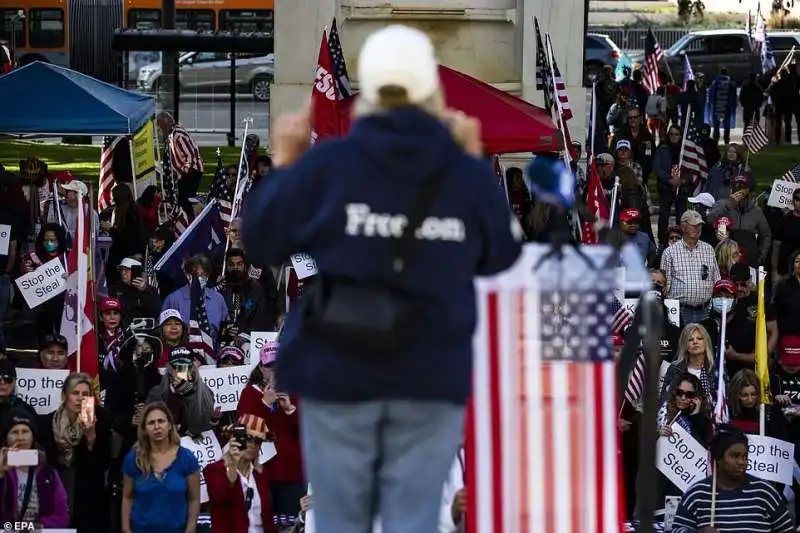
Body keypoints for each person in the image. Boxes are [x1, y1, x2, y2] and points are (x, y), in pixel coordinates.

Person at [241, 24, 522, 533]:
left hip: (342, 371)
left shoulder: (330, 164)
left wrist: (284, 164)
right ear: (430, 93)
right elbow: (502, 257)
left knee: (341, 519)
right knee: (413, 519)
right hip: (428, 375)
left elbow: (260, 241)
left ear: (369, 90)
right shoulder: (463, 176)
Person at [672, 425, 793, 533]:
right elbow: (676, 529)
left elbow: (786, 529)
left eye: (745, 456)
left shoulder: (764, 492)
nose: (742, 462)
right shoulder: (698, 493)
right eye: (735, 456)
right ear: (718, 458)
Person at [37, 372, 111, 533]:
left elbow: (103, 465)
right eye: (75, 393)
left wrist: (91, 439)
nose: (80, 398)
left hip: (88, 503)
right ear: (64, 396)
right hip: (55, 496)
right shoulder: (47, 423)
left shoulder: (102, 421)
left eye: (85, 394)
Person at [121, 402, 201, 533]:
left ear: (169, 425)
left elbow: (193, 499)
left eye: (161, 421)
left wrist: (190, 529)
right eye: (151, 423)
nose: (157, 426)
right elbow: (127, 497)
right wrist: (126, 529)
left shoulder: (187, 459)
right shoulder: (133, 459)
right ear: (145, 429)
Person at [204, 414, 278, 533]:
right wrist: (232, 465)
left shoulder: (260, 474)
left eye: (258, 441)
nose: (253, 445)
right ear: (235, 439)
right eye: (248, 438)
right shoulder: (215, 470)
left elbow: (267, 519)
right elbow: (220, 497)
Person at [0, 408, 70, 528]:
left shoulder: (48, 472)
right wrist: (0, 473)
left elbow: (62, 515)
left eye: (25, 431)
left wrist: (35, 527)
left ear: (33, 437)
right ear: (6, 438)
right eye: (14, 432)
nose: (20, 437)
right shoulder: (2, 469)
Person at [661, 210, 721, 324]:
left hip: (706, 310)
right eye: (693, 225)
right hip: (680, 310)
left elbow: (716, 279)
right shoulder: (669, 252)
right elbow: (664, 284)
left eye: (699, 225)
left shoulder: (709, 249)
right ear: (683, 227)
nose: (697, 228)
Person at [147, 346, 215, 437]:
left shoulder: (205, 392)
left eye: (185, 366)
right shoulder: (156, 392)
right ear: (169, 369)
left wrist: (189, 395)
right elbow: (150, 426)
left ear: (193, 368)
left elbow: (199, 428)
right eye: (176, 366)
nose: (180, 371)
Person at [157, 112, 204, 223]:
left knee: (186, 200)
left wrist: (184, 172)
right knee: (184, 200)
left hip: (191, 172)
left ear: (166, 123)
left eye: (160, 125)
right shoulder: (172, 133)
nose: (159, 128)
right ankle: (189, 220)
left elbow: (190, 156)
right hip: (186, 172)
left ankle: (197, 216)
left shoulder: (178, 134)